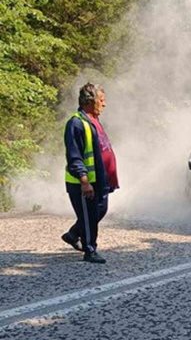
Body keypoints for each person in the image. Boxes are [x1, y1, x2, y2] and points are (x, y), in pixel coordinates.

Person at [61, 83, 119, 263]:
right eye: (101, 100)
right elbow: (74, 156)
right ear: (89, 101)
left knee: (99, 211)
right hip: (85, 182)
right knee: (89, 216)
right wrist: (84, 181)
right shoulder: (76, 123)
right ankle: (90, 249)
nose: (104, 104)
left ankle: (73, 234)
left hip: (100, 180)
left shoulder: (93, 120)